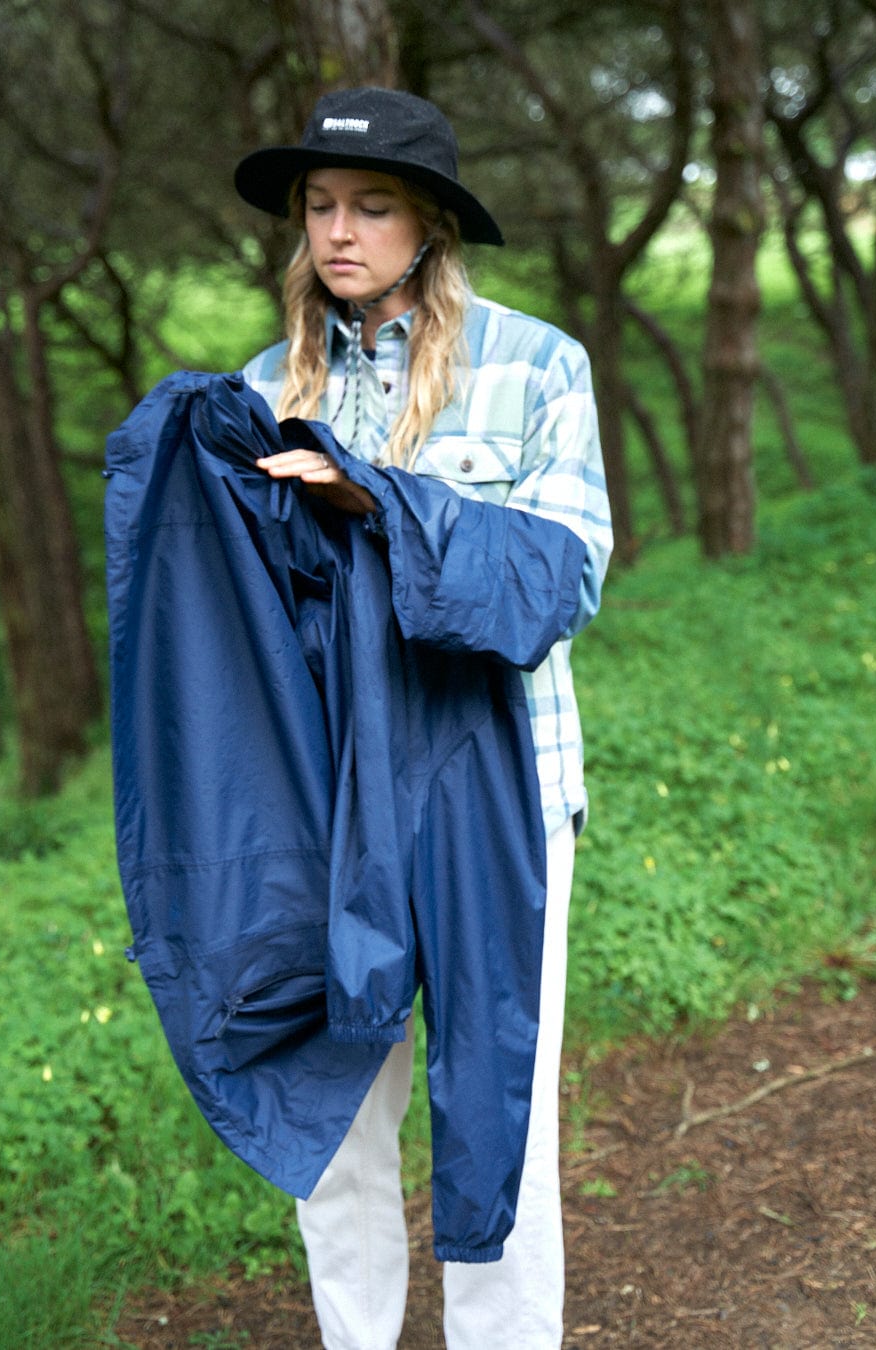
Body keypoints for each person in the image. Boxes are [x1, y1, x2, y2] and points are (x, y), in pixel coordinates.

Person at [233, 85, 613, 1350]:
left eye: (373, 205)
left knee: (499, 1104)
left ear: (432, 221)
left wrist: (375, 501)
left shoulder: (537, 368)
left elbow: (560, 579)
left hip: (503, 798)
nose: (340, 231)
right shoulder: (257, 392)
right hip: (324, 809)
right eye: (321, 207)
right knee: (339, 1119)